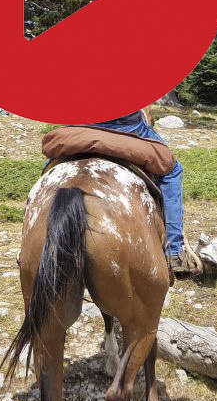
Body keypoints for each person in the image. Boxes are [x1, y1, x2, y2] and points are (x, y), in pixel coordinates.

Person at [86, 109, 202, 277]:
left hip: (79, 125)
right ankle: (175, 252)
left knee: (52, 164)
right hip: (126, 127)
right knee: (172, 170)